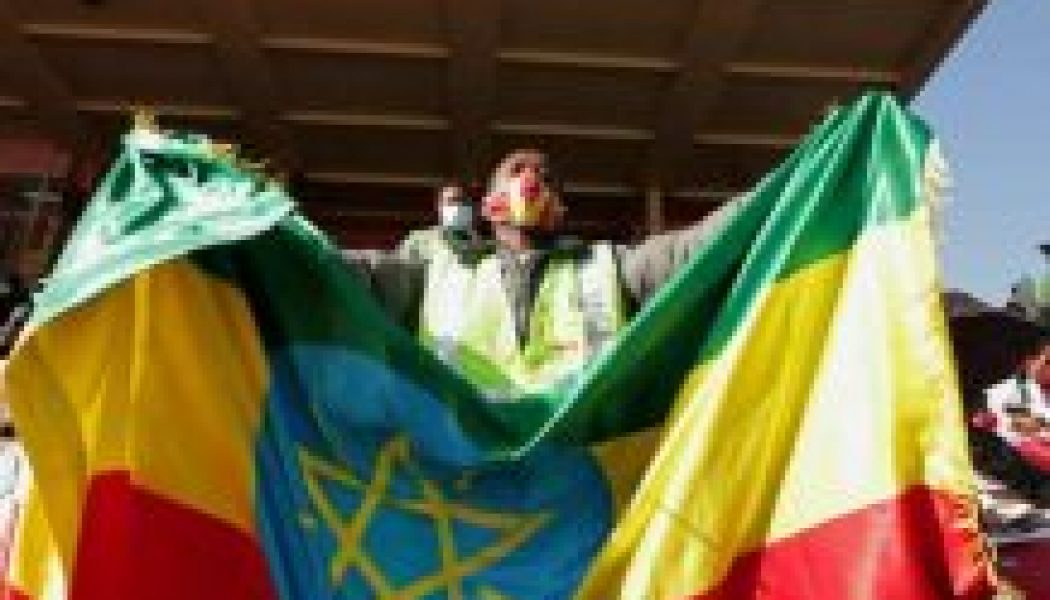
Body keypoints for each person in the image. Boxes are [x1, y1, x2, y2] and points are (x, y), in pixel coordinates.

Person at [345, 148, 745, 394]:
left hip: (576, 482)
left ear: (559, 211)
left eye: (545, 178)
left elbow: (697, 248)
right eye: (517, 170)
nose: (531, 180)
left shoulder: (609, 268)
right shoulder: (436, 272)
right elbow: (352, 274)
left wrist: (776, 191)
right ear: (489, 205)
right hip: (462, 484)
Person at [397, 181, 480, 262]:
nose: (458, 205)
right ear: (439, 206)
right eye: (451, 200)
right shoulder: (417, 240)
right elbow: (400, 267)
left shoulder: (478, 243)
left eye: (462, 200)